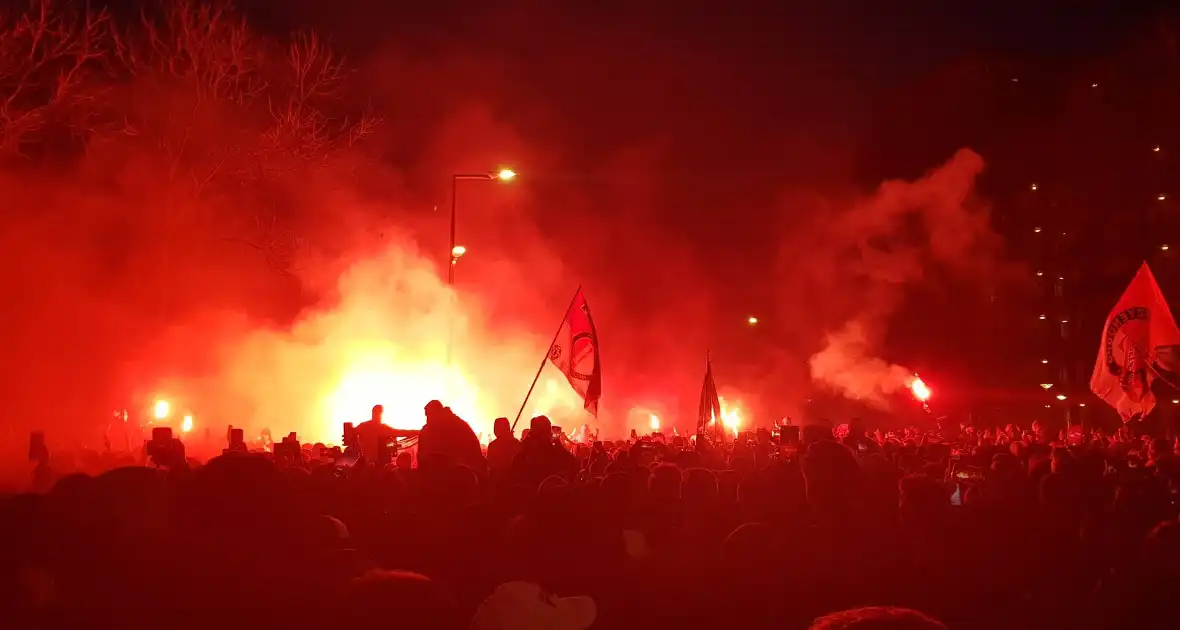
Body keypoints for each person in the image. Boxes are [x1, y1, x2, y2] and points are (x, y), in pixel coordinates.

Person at [508, 415, 579, 490]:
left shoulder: (523, 451)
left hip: (530, 498)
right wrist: (561, 449)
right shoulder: (552, 452)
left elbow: (510, 474)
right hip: (547, 497)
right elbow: (575, 466)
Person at [417, 400, 485, 473]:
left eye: (429, 415)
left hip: (466, 473)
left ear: (436, 413)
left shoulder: (451, 427)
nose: (427, 420)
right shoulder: (457, 424)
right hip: (468, 472)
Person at [355, 405, 419, 467]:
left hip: (377, 464)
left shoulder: (365, 426)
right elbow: (400, 432)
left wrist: (418, 432)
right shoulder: (368, 427)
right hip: (374, 464)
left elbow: (401, 432)